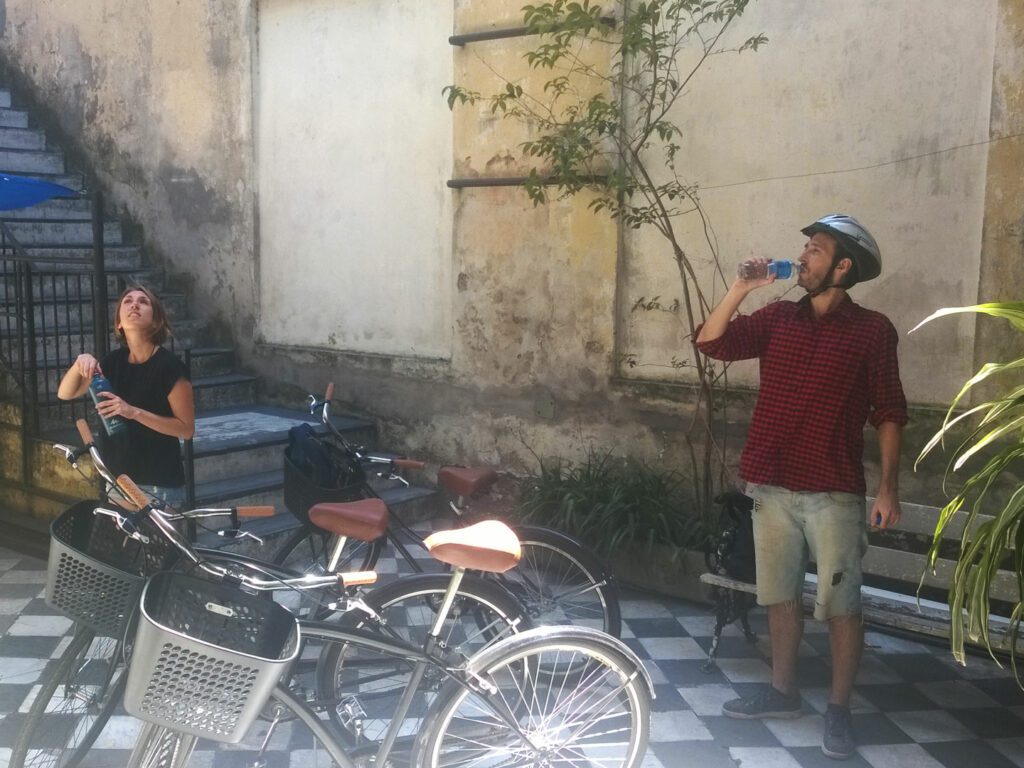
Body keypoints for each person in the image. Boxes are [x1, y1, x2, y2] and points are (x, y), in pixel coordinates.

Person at [696, 214, 907, 760]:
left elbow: (889, 411)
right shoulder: (777, 320)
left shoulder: (873, 331)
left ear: (843, 267)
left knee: (842, 604)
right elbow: (710, 342)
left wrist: (888, 487)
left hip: (832, 489)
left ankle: (838, 712)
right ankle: (783, 693)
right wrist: (742, 286)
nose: (803, 257)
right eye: (806, 248)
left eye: (815, 250)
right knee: (780, 596)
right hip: (771, 483)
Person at [58, 286, 195, 507]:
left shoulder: (170, 367)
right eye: (128, 301)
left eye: (143, 302)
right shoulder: (113, 362)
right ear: (119, 323)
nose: (134, 304)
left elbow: (186, 429)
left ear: (156, 321)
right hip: (118, 480)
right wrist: (80, 362)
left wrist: (132, 412)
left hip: (157, 483)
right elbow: (65, 393)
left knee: (153, 543)